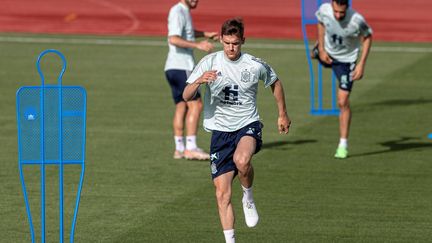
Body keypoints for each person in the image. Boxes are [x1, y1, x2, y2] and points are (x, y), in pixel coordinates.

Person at [183, 18, 291, 243]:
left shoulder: (254, 64)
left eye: (236, 43)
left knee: (242, 161)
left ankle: (248, 197)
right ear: (221, 39)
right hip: (220, 133)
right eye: (227, 43)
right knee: (221, 194)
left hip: (247, 125)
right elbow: (186, 95)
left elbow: (275, 82)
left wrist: (282, 114)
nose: (231, 48)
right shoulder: (209, 62)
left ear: (243, 40)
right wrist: (200, 81)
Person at [312, 0, 372, 159]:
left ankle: (342, 144)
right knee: (313, 54)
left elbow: (367, 37)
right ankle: (317, 49)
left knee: (342, 101)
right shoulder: (324, 9)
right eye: (336, 11)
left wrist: (361, 64)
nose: (338, 15)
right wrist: (322, 48)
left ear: (348, 8)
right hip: (328, 53)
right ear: (332, 5)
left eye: (342, 13)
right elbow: (320, 22)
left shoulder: (356, 19)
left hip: (346, 62)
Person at [164, 0, 218, 160]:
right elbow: (173, 38)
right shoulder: (178, 11)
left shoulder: (183, 11)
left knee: (182, 106)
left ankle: (179, 148)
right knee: (196, 104)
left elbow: (185, 33)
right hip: (182, 66)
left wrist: (204, 34)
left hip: (172, 67)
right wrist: (197, 45)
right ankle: (191, 147)